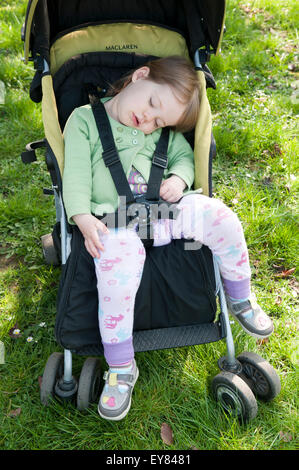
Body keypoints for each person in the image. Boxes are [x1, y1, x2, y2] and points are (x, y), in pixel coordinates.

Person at [63, 56, 274, 421]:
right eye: (151, 106)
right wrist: (81, 216)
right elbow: (77, 172)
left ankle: (239, 298)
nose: (148, 121)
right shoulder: (84, 120)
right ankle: (121, 365)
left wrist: (178, 177)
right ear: (140, 77)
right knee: (114, 270)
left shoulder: (163, 131)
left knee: (221, 217)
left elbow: (183, 157)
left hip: (165, 213)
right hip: (113, 223)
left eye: (160, 121)